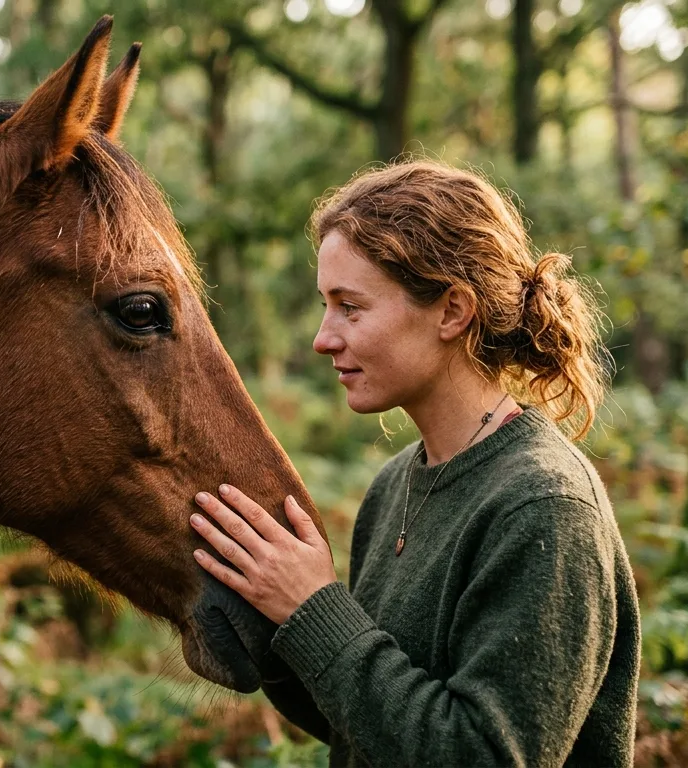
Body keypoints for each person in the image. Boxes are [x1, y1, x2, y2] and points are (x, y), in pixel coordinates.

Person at [189, 159, 640, 767]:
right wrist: (268, 622)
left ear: (453, 311)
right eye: (326, 305)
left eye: (350, 306)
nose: (324, 337)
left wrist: (315, 609)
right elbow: (369, 727)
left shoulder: (544, 509)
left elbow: (481, 756)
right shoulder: (394, 484)